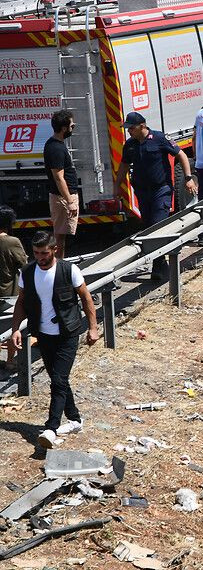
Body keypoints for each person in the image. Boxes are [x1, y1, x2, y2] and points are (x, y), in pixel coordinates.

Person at [10, 231, 99, 448]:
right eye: (36, 253)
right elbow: (21, 302)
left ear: (54, 250)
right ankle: (75, 419)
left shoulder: (69, 270)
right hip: (43, 334)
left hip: (68, 333)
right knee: (59, 379)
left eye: (44, 253)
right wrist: (15, 330)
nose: (40, 257)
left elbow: (86, 298)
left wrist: (94, 327)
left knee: (58, 380)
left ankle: (50, 428)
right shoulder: (28, 272)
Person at [116, 112, 197, 279]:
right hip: (142, 192)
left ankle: (157, 266)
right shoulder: (130, 145)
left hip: (161, 190)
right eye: (128, 128)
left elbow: (181, 154)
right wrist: (117, 188)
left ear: (142, 126)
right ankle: (161, 262)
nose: (129, 131)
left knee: (157, 226)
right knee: (147, 227)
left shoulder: (159, 139)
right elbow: (124, 165)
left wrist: (188, 178)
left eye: (131, 128)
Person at [43, 110, 81, 259]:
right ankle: (57, 267)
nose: (73, 128)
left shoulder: (57, 144)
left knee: (62, 236)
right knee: (59, 237)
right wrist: (70, 201)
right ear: (64, 128)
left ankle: (59, 264)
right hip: (62, 198)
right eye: (72, 126)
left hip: (63, 197)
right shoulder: (55, 148)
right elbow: (59, 178)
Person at [0, 205, 27, 373]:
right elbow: (24, 264)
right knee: (11, 326)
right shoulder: (11, 242)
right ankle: (10, 361)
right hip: (7, 293)